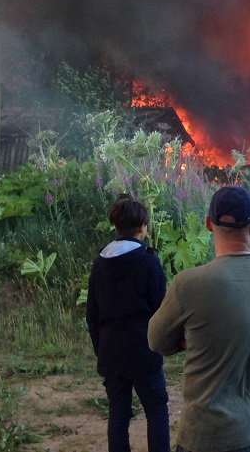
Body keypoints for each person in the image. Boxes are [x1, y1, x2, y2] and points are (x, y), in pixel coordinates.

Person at [148, 185, 250, 452]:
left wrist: (192, 338)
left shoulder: (189, 284)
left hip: (212, 433)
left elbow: (156, 340)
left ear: (207, 224)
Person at [86, 194, 170, 452]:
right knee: (156, 409)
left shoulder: (100, 264)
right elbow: (162, 309)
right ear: (142, 226)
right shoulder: (148, 262)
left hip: (110, 350)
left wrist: (101, 349)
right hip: (143, 350)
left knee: (118, 413)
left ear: (117, 226)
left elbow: (92, 314)